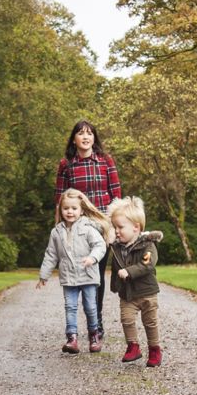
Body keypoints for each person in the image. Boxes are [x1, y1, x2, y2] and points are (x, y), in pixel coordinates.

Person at [55, 119, 121, 339]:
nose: (86, 137)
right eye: (81, 133)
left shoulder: (105, 161)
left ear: (94, 138)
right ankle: (77, 323)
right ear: (74, 138)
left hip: (102, 226)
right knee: (76, 275)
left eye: (89, 133)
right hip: (77, 229)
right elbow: (60, 200)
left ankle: (97, 323)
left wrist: (115, 227)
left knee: (97, 275)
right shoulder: (67, 165)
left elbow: (116, 196)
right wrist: (59, 230)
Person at [37, 189, 110, 354]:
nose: (69, 212)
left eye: (74, 208)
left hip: (88, 275)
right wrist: (44, 275)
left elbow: (100, 246)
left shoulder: (89, 228)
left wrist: (92, 258)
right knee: (70, 307)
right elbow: (51, 254)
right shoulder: (56, 232)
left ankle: (94, 335)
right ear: (60, 210)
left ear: (81, 210)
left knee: (90, 307)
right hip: (69, 277)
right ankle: (72, 338)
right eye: (66, 208)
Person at [109, 196, 164, 367]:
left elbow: (147, 264)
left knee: (150, 322)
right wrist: (114, 286)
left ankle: (155, 349)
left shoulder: (147, 245)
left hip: (147, 292)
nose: (117, 231)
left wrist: (129, 272)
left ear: (136, 227)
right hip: (128, 294)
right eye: (115, 227)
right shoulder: (117, 247)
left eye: (120, 227)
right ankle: (133, 347)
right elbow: (116, 269)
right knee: (126, 319)